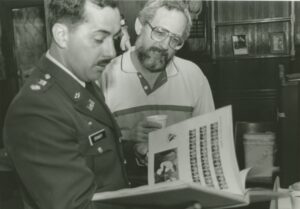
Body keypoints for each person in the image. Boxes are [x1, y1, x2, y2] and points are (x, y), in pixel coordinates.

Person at [3, 0, 130, 208]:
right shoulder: (36, 111)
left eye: (114, 38)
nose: (111, 52)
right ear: (62, 35)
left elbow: (99, 156)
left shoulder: (80, 80)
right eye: (99, 39)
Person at [101, 0, 215, 186]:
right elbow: (90, 150)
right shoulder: (107, 75)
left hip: (180, 194)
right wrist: (129, 140)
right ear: (139, 26)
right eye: (159, 32)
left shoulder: (193, 76)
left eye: (175, 40)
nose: (164, 45)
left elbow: (207, 143)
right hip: (124, 192)